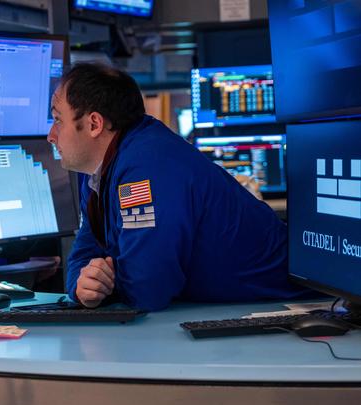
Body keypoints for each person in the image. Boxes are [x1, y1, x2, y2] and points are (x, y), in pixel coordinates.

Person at [47, 63, 307, 311]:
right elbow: (82, 258)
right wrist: (83, 288)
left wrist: (105, 286)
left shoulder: (146, 165)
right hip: (227, 307)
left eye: (58, 120)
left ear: (94, 124)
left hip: (288, 303)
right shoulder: (97, 174)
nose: (51, 135)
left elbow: (148, 290)